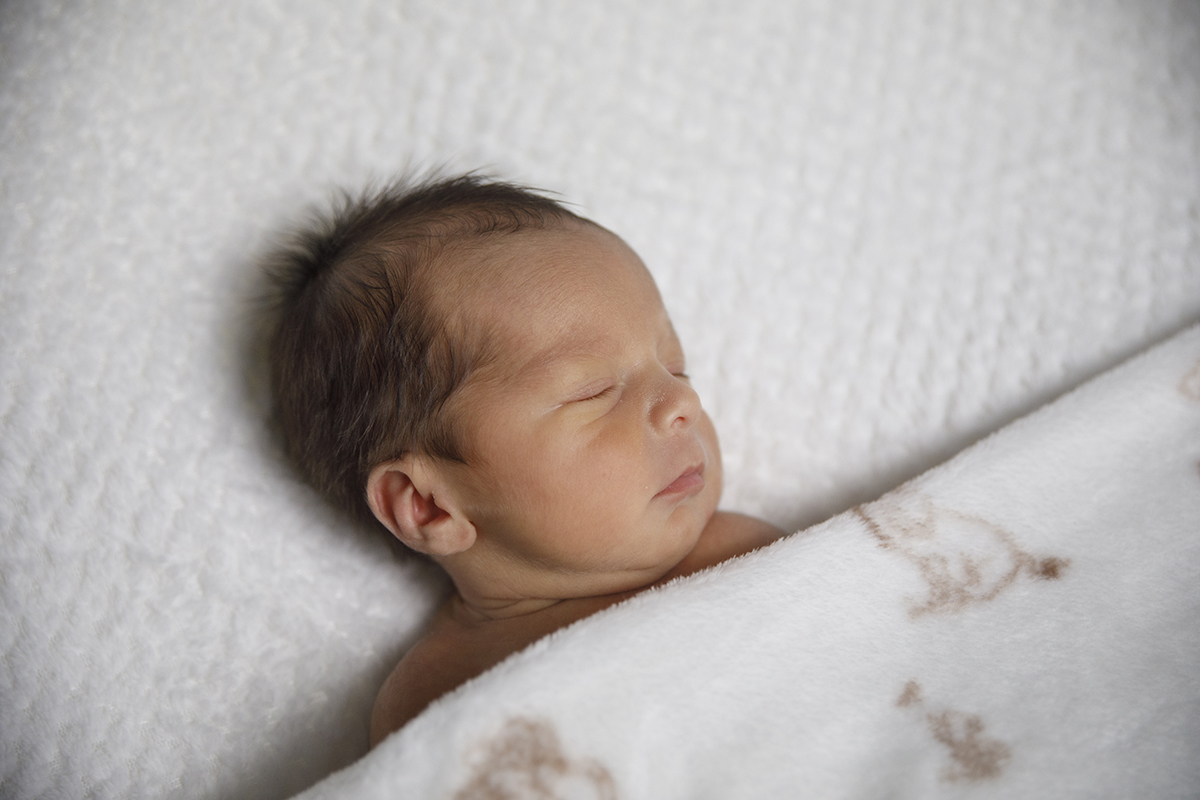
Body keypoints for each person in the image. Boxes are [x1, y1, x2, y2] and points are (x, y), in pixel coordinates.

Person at [267, 174, 785, 748]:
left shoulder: (748, 558)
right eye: (593, 392)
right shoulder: (441, 697)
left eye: (675, 365)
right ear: (429, 506)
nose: (682, 402)